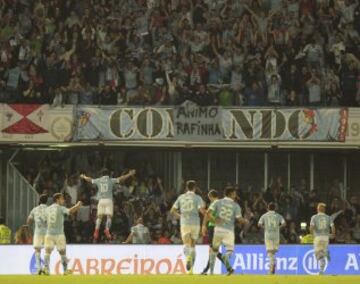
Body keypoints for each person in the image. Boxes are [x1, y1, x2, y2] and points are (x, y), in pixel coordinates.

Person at [80, 168, 136, 241]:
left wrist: (84, 177)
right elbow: (121, 178)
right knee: (109, 217)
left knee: (99, 217)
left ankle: (96, 230)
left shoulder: (99, 180)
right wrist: (129, 174)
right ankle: (107, 230)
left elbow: (90, 180)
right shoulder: (110, 180)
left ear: (101, 174)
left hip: (101, 201)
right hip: (108, 200)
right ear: (108, 174)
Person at [207, 186, 248, 275]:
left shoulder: (217, 202)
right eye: (234, 193)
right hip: (228, 231)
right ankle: (226, 256)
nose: (235, 195)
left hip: (217, 230)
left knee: (213, 251)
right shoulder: (235, 205)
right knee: (230, 250)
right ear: (231, 194)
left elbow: (208, 213)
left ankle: (211, 272)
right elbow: (240, 219)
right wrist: (246, 220)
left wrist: (214, 220)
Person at [170, 180, 205, 274]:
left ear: (186, 187)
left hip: (185, 222)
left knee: (186, 244)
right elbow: (202, 211)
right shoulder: (197, 197)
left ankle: (188, 258)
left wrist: (180, 216)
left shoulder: (181, 197)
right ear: (195, 187)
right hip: (195, 223)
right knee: (193, 245)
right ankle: (191, 270)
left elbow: (172, 210)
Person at [43, 193, 82, 275]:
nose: (63, 200)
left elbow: (44, 221)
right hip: (59, 234)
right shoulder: (60, 208)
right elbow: (70, 211)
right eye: (62, 199)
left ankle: (46, 269)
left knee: (47, 251)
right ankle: (65, 270)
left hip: (49, 233)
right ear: (57, 200)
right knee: (63, 252)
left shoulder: (47, 209)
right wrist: (78, 205)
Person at [201, 190, 226, 275]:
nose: (209, 199)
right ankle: (206, 270)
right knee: (213, 250)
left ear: (211, 196)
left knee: (213, 250)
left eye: (209, 197)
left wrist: (204, 224)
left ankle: (229, 267)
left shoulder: (214, 203)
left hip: (213, 227)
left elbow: (208, 214)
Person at [258, 202, 286, 274]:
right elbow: (284, 223)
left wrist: (265, 228)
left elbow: (259, 224)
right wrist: (278, 228)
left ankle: (272, 265)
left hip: (268, 235)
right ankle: (272, 267)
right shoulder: (278, 216)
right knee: (273, 252)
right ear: (275, 208)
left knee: (270, 252)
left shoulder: (264, 216)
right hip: (276, 235)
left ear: (268, 208)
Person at [310, 203, 336, 275]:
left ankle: (324, 254)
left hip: (318, 237)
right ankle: (321, 270)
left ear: (318, 209)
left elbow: (311, 228)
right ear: (324, 210)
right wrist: (333, 234)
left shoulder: (314, 217)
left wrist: (313, 235)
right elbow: (333, 227)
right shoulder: (328, 217)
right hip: (326, 237)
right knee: (321, 253)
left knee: (318, 255)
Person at [27, 194, 48, 274]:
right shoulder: (49, 209)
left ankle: (39, 268)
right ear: (47, 201)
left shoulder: (35, 209)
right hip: (47, 233)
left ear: (39, 200)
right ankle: (46, 268)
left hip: (38, 232)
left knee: (37, 250)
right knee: (47, 251)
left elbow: (29, 220)